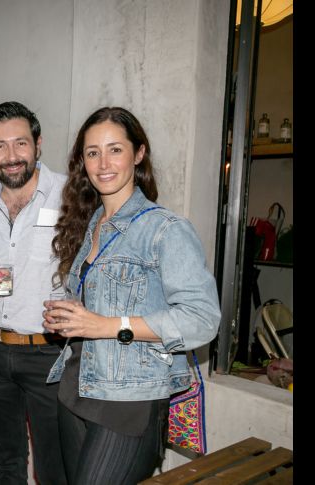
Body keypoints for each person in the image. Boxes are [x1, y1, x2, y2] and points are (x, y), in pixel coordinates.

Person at [43, 106, 221, 484]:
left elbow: (202, 319)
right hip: (76, 386)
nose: (103, 163)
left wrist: (107, 325)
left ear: (138, 154)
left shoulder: (165, 229)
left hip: (129, 401)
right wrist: (70, 318)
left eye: (115, 149)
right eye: (92, 152)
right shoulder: (91, 223)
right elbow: (102, 307)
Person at [0, 101, 68, 485]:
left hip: (49, 352)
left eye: (20, 144)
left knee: (53, 466)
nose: (11, 156)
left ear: (38, 144)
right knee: (5, 463)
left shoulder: (72, 195)